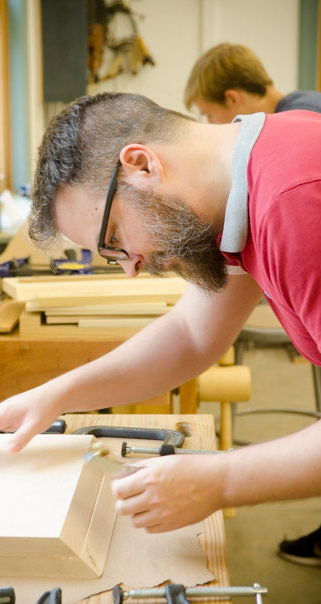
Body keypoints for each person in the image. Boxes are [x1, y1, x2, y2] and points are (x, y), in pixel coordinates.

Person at [0, 93, 321, 550]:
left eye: (115, 238)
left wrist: (221, 480)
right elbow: (191, 334)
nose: (130, 267)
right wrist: (55, 396)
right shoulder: (240, 183)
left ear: (142, 165)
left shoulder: (292, 203)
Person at [185, 43, 321, 567]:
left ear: (235, 98)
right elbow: (192, 334)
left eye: (208, 113)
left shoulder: (290, 154)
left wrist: (220, 480)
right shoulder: (291, 121)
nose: (214, 124)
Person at [183, 42, 321, 123]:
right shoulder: (305, 106)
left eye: (209, 115)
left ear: (231, 98)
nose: (211, 123)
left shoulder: (299, 119)